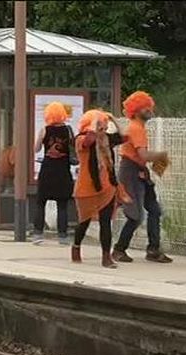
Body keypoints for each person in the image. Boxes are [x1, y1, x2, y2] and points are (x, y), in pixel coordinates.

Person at [112, 91, 173, 264]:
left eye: (149, 106)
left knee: (154, 209)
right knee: (136, 215)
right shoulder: (136, 129)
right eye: (146, 107)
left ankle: (153, 249)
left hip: (137, 171)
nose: (150, 110)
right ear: (137, 110)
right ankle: (119, 249)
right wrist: (161, 155)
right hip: (132, 172)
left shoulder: (136, 127)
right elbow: (144, 155)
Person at [72, 109, 129, 269]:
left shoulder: (106, 139)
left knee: (106, 222)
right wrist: (94, 123)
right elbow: (89, 141)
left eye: (104, 127)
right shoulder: (80, 139)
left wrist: (114, 120)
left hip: (108, 186)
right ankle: (76, 247)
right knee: (84, 222)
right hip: (87, 187)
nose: (102, 131)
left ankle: (106, 257)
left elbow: (125, 136)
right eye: (101, 127)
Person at [33, 102, 75, 245]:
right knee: (62, 204)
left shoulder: (45, 130)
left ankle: (38, 234)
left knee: (41, 202)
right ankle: (62, 236)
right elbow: (73, 148)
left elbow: (36, 148)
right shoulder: (68, 130)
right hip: (63, 170)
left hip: (48, 170)